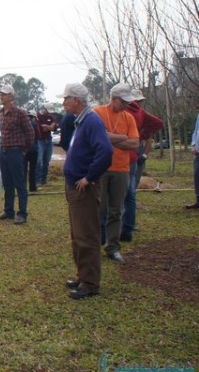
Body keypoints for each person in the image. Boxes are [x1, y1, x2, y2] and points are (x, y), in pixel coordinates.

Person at [59, 83, 113, 300]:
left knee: (87, 235)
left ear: (76, 100)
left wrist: (89, 177)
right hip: (74, 186)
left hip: (84, 189)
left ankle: (90, 283)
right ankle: (83, 275)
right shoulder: (81, 121)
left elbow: (106, 151)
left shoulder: (91, 121)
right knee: (77, 234)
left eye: (66, 98)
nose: (63, 103)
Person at [93, 83, 139, 264]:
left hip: (122, 170)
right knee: (98, 209)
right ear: (114, 99)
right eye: (124, 101)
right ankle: (94, 245)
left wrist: (110, 139)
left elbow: (135, 143)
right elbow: (98, 138)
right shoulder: (97, 113)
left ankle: (113, 247)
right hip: (101, 169)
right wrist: (122, 138)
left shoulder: (129, 117)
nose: (127, 105)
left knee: (116, 210)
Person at [121, 89, 164, 241]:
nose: (140, 103)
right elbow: (158, 123)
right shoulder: (140, 113)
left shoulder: (122, 111)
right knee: (130, 191)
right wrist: (142, 135)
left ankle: (122, 225)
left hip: (122, 153)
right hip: (134, 151)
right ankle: (129, 225)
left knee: (121, 191)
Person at [0, 84, 34, 225]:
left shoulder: (20, 113)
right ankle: (8, 211)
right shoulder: (1, 113)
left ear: (11, 96)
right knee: (7, 183)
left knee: (20, 183)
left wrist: (23, 151)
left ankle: (22, 213)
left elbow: (30, 133)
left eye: (4, 94)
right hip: (3, 151)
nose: (1, 96)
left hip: (15, 152)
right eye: (1, 94)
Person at [36, 103, 58, 186]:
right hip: (40, 141)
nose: (49, 113)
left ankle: (43, 180)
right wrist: (49, 126)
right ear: (44, 109)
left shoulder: (50, 117)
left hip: (48, 140)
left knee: (46, 161)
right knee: (38, 161)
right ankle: (37, 180)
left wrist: (47, 126)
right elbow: (40, 127)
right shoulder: (38, 116)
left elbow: (54, 127)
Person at [186, 98, 199, 210]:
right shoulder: (198, 116)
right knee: (197, 175)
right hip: (198, 153)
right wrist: (194, 145)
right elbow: (196, 132)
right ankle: (198, 200)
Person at [25, 110, 42, 193]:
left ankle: (23, 187)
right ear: (34, 117)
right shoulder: (35, 124)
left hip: (24, 150)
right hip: (33, 149)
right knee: (33, 169)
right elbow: (39, 136)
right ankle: (32, 187)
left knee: (23, 169)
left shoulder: (22, 124)